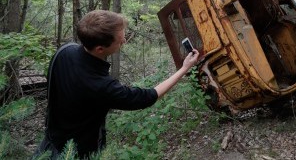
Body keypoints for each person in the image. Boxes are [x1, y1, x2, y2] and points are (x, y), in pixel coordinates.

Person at [34, 10, 199, 159]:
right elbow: (147, 97)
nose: (124, 41)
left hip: (48, 146)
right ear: (99, 49)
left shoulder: (64, 51)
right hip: (77, 154)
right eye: (120, 41)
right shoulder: (102, 86)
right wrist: (184, 68)